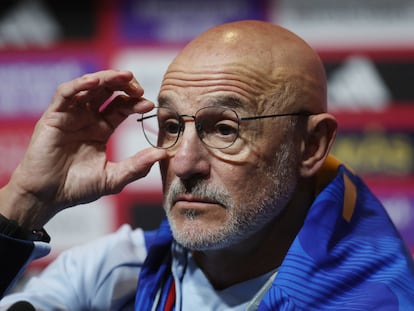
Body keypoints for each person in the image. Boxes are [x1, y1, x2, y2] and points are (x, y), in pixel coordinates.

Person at [0, 20, 413, 310]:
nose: (183, 162)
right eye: (172, 126)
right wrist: (23, 202)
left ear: (310, 146)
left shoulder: (378, 299)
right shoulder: (121, 271)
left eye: (225, 129)